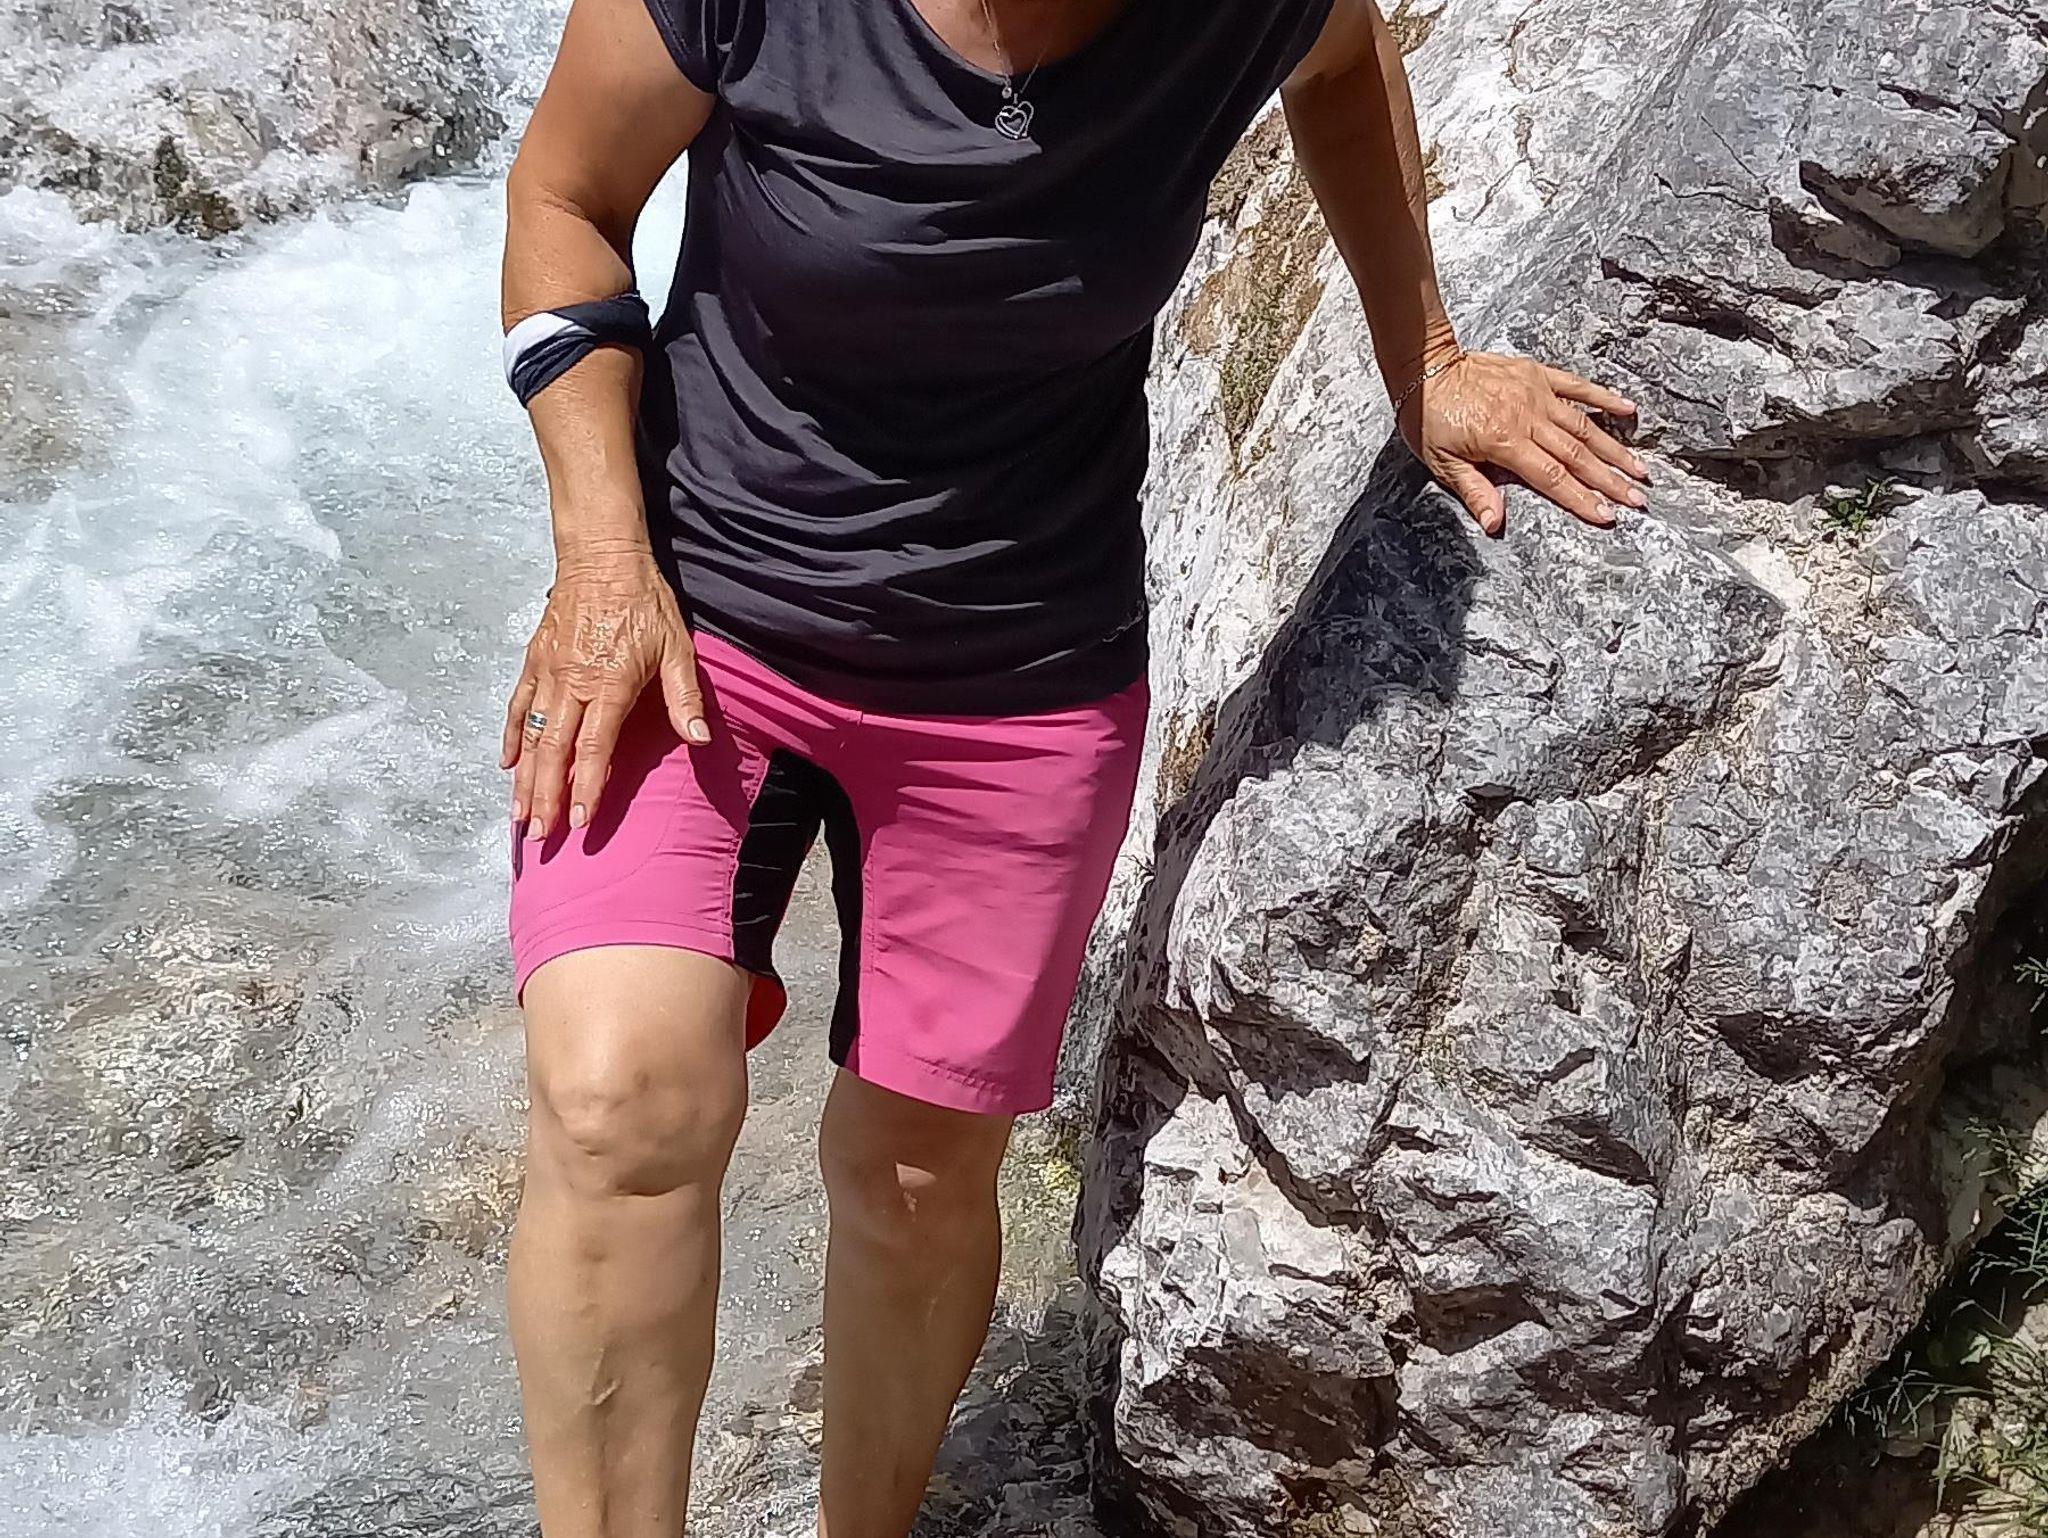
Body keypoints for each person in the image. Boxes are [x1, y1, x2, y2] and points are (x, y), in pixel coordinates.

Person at [496, 0, 1651, 1532]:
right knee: (618, 1102)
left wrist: (1423, 356)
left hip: (1016, 668)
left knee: (918, 1175)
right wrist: (599, 555)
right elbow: (564, 199)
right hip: (699, 613)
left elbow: (1346, 52)